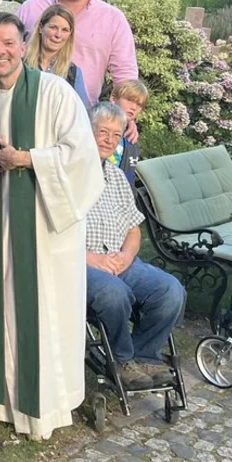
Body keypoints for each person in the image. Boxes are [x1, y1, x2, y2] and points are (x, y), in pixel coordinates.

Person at [0, 12, 102, 441]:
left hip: (46, 225)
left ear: (23, 46)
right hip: (0, 220)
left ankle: (42, 402)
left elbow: (81, 156)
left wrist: (25, 159)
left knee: (42, 305)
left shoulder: (55, 93)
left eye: (8, 43)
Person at [86, 102, 185, 389]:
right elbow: (50, 233)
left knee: (170, 290)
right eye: (101, 131)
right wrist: (89, 258)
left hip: (120, 260)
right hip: (81, 262)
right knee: (112, 293)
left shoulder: (116, 176)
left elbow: (133, 229)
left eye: (115, 135)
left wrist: (127, 256)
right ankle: (121, 358)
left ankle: (144, 357)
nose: (108, 140)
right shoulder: (67, 173)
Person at [18, 0, 137, 108]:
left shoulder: (112, 19)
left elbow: (125, 72)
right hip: (29, 107)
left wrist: (125, 115)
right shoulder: (31, 9)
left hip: (84, 113)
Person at [25, 4, 90, 107]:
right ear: (41, 28)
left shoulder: (72, 73)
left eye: (65, 30)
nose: (58, 35)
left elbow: (84, 113)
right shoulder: (20, 64)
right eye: (53, 27)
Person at [107, 79, 149, 182]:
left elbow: (129, 181)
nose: (134, 107)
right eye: (130, 100)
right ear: (113, 99)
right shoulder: (93, 128)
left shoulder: (132, 143)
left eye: (139, 105)